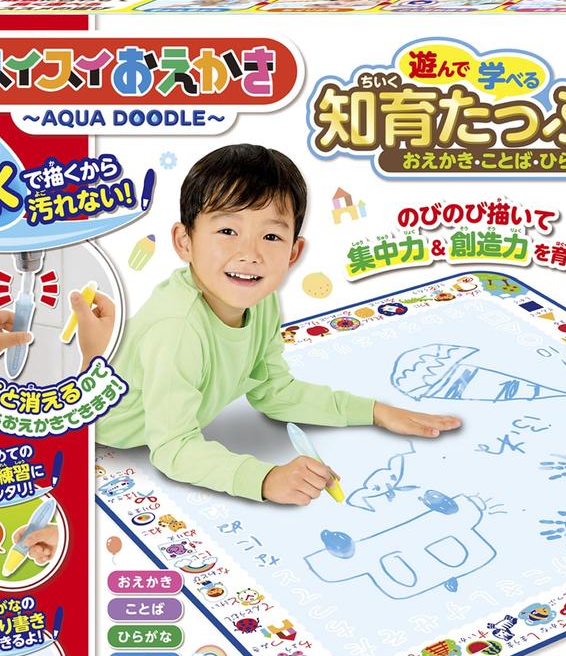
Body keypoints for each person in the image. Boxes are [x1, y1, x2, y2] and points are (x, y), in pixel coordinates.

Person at [96, 144, 460, 505]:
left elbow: (273, 391)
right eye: (227, 231)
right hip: (96, 427)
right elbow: (172, 448)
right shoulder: (177, 329)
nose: (249, 254)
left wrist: (375, 412)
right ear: (184, 241)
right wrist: (265, 478)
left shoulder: (261, 300)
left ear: (293, 253)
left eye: (271, 236)